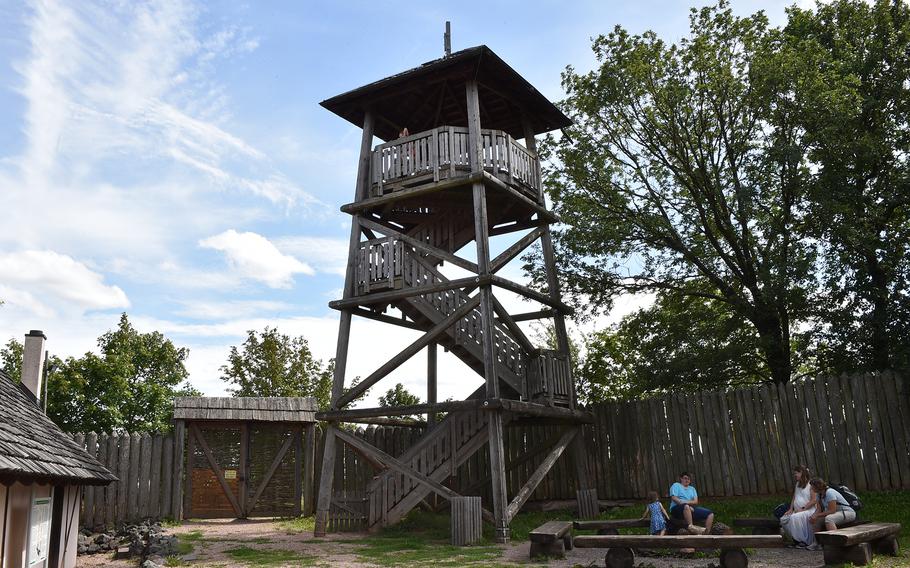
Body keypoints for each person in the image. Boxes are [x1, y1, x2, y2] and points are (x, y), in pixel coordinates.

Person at [808, 477, 856, 550]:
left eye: (812, 486)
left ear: (817, 486)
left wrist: (817, 515)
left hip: (848, 512)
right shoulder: (819, 494)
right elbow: (819, 509)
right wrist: (814, 516)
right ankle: (817, 543)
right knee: (816, 520)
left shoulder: (829, 492)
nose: (811, 488)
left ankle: (836, 544)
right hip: (837, 513)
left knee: (829, 519)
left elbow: (832, 510)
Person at [780, 465, 817, 548]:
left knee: (794, 518)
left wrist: (803, 509)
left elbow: (814, 500)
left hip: (809, 510)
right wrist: (790, 509)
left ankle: (803, 541)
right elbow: (794, 497)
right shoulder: (797, 484)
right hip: (798, 510)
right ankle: (794, 539)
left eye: (796, 473)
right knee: (784, 519)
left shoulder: (811, 485)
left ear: (802, 473)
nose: (795, 475)